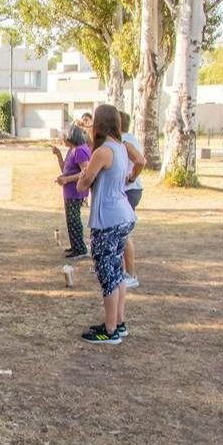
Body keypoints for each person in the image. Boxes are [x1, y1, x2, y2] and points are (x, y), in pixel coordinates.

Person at [77, 104, 144, 345]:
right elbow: (141, 161)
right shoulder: (122, 147)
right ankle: (119, 322)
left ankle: (109, 329)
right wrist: (131, 178)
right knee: (117, 273)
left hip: (108, 219)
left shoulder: (103, 151)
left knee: (107, 274)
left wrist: (85, 174)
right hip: (123, 215)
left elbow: (83, 185)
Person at [52, 125, 91, 259]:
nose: (62, 139)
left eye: (64, 137)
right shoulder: (72, 150)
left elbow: (85, 172)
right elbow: (65, 169)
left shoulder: (80, 151)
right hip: (69, 190)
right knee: (71, 220)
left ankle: (80, 249)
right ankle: (75, 246)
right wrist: (58, 155)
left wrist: (67, 179)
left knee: (74, 219)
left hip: (75, 191)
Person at [119, 112, 144, 288]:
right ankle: (121, 271)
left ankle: (131, 274)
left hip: (130, 190)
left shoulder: (125, 141)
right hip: (129, 190)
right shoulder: (128, 138)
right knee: (120, 232)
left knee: (124, 232)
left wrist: (132, 177)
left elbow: (140, 161)